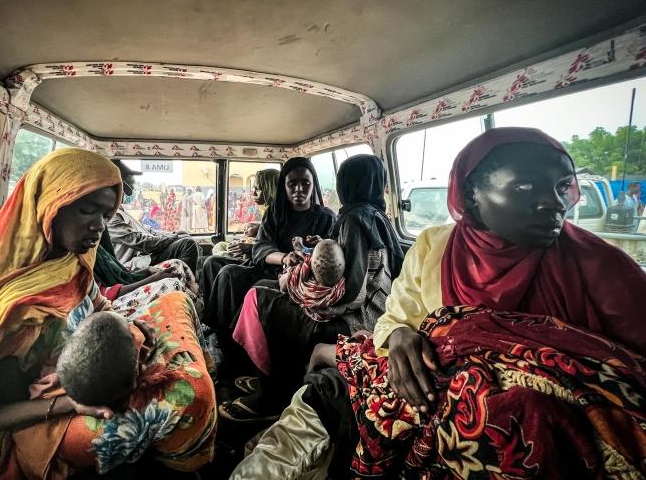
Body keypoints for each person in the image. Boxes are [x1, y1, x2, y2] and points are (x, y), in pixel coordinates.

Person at [233, 128, 646, 479]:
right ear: (472, 193)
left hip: (502, 418)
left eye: (561, 188)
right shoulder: (435, 247)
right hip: (420, 383)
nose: (553, 203)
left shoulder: (600, 267)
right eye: (525, 187)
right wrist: (397, 336)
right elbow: (395, 316)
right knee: (322, 391)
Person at [0, 149, 215, 480]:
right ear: (49, 207)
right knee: (188, 398)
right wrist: (71, 405)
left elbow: (100, 307)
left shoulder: (69, 262)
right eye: (87, 211)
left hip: (82, 373)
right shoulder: (5, 305)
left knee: (173, 300)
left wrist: (130, 327)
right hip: (23, 423)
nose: (98, 227)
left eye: (106, 215)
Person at [224, 155, 404, 421]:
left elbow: (354, 294)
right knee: (262, 288)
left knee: (262, 300)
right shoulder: (377, 216)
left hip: (358, 320)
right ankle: (273, 375)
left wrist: (311, 301)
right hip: (374, 311)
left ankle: (272, 397)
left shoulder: (353, 220)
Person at [203, 158, 337, 365]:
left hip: (300, 278)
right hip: (270, 267)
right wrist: (284, 257)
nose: (299, 189)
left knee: (241, 279)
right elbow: (261, 247)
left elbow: (331, 257)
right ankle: (221, 339)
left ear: (313, 185)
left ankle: (240, 353)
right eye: (292, 183)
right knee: (226, 272)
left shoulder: (326, 217)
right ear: (284, 186)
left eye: (305, 183)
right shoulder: (276, 212)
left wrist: (313, 249)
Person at [199, 168, 279, 308]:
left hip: (267, 268)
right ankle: (208, 313)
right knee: (211, 262)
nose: (253, 193)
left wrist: (251, 248)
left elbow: (276, 246)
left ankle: (221, 325)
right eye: (253, 188)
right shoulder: (269, 212)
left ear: (269, 189)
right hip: (255, 260)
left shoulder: (279, 213)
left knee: (227, 272)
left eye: (258, 189)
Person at [109, 161, 200, 273]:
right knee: (187, 245)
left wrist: (173, 235)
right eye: (131, 184)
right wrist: (172, 238)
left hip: (144, 255)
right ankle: (189, 284)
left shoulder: (122, 211)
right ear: (122, 186)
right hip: (133, 263)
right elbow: (139, 241)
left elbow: (148, 231)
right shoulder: (111, 217)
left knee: (183, 235)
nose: (133, 189)